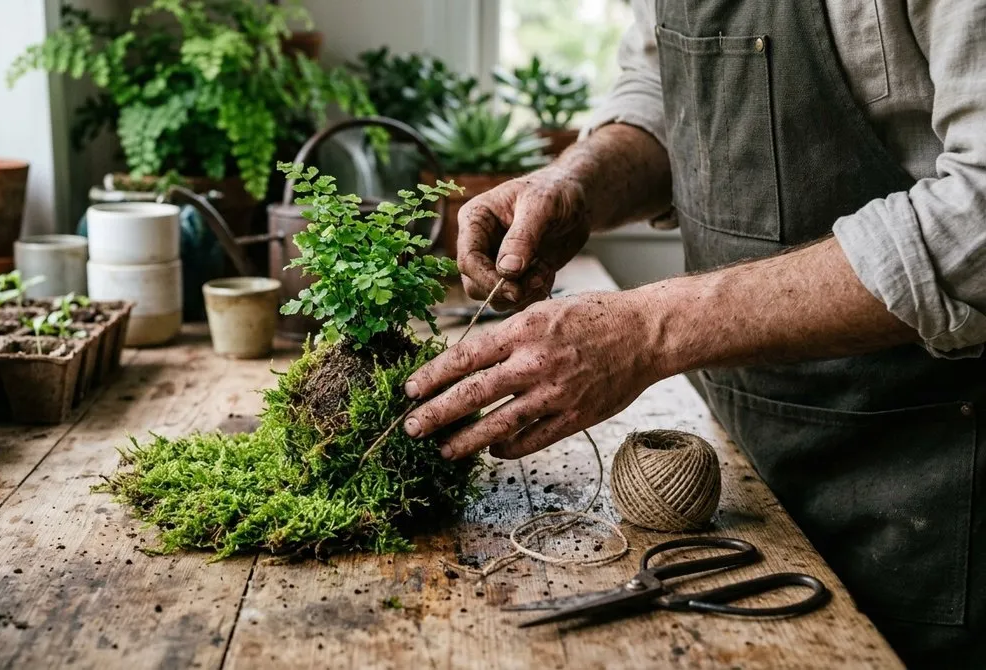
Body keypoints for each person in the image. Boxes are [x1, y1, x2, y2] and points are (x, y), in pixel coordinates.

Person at [401, 0, 986, 664]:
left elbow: (979, 225)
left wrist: (650, 329)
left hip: (933, 484)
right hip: (744, 470)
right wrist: (574, 184)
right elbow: (664, 93)